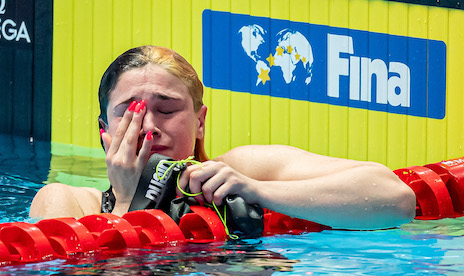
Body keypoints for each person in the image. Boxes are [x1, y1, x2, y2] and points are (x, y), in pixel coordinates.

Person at [30, 45, 416, 230]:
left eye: (167, 110)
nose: (149, 127)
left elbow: (395, 200)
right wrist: (128, 202)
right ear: (104, 133)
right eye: (130, 114)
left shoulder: (244, 170)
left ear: (200, 123)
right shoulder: (68, 203)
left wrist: (258, 192)